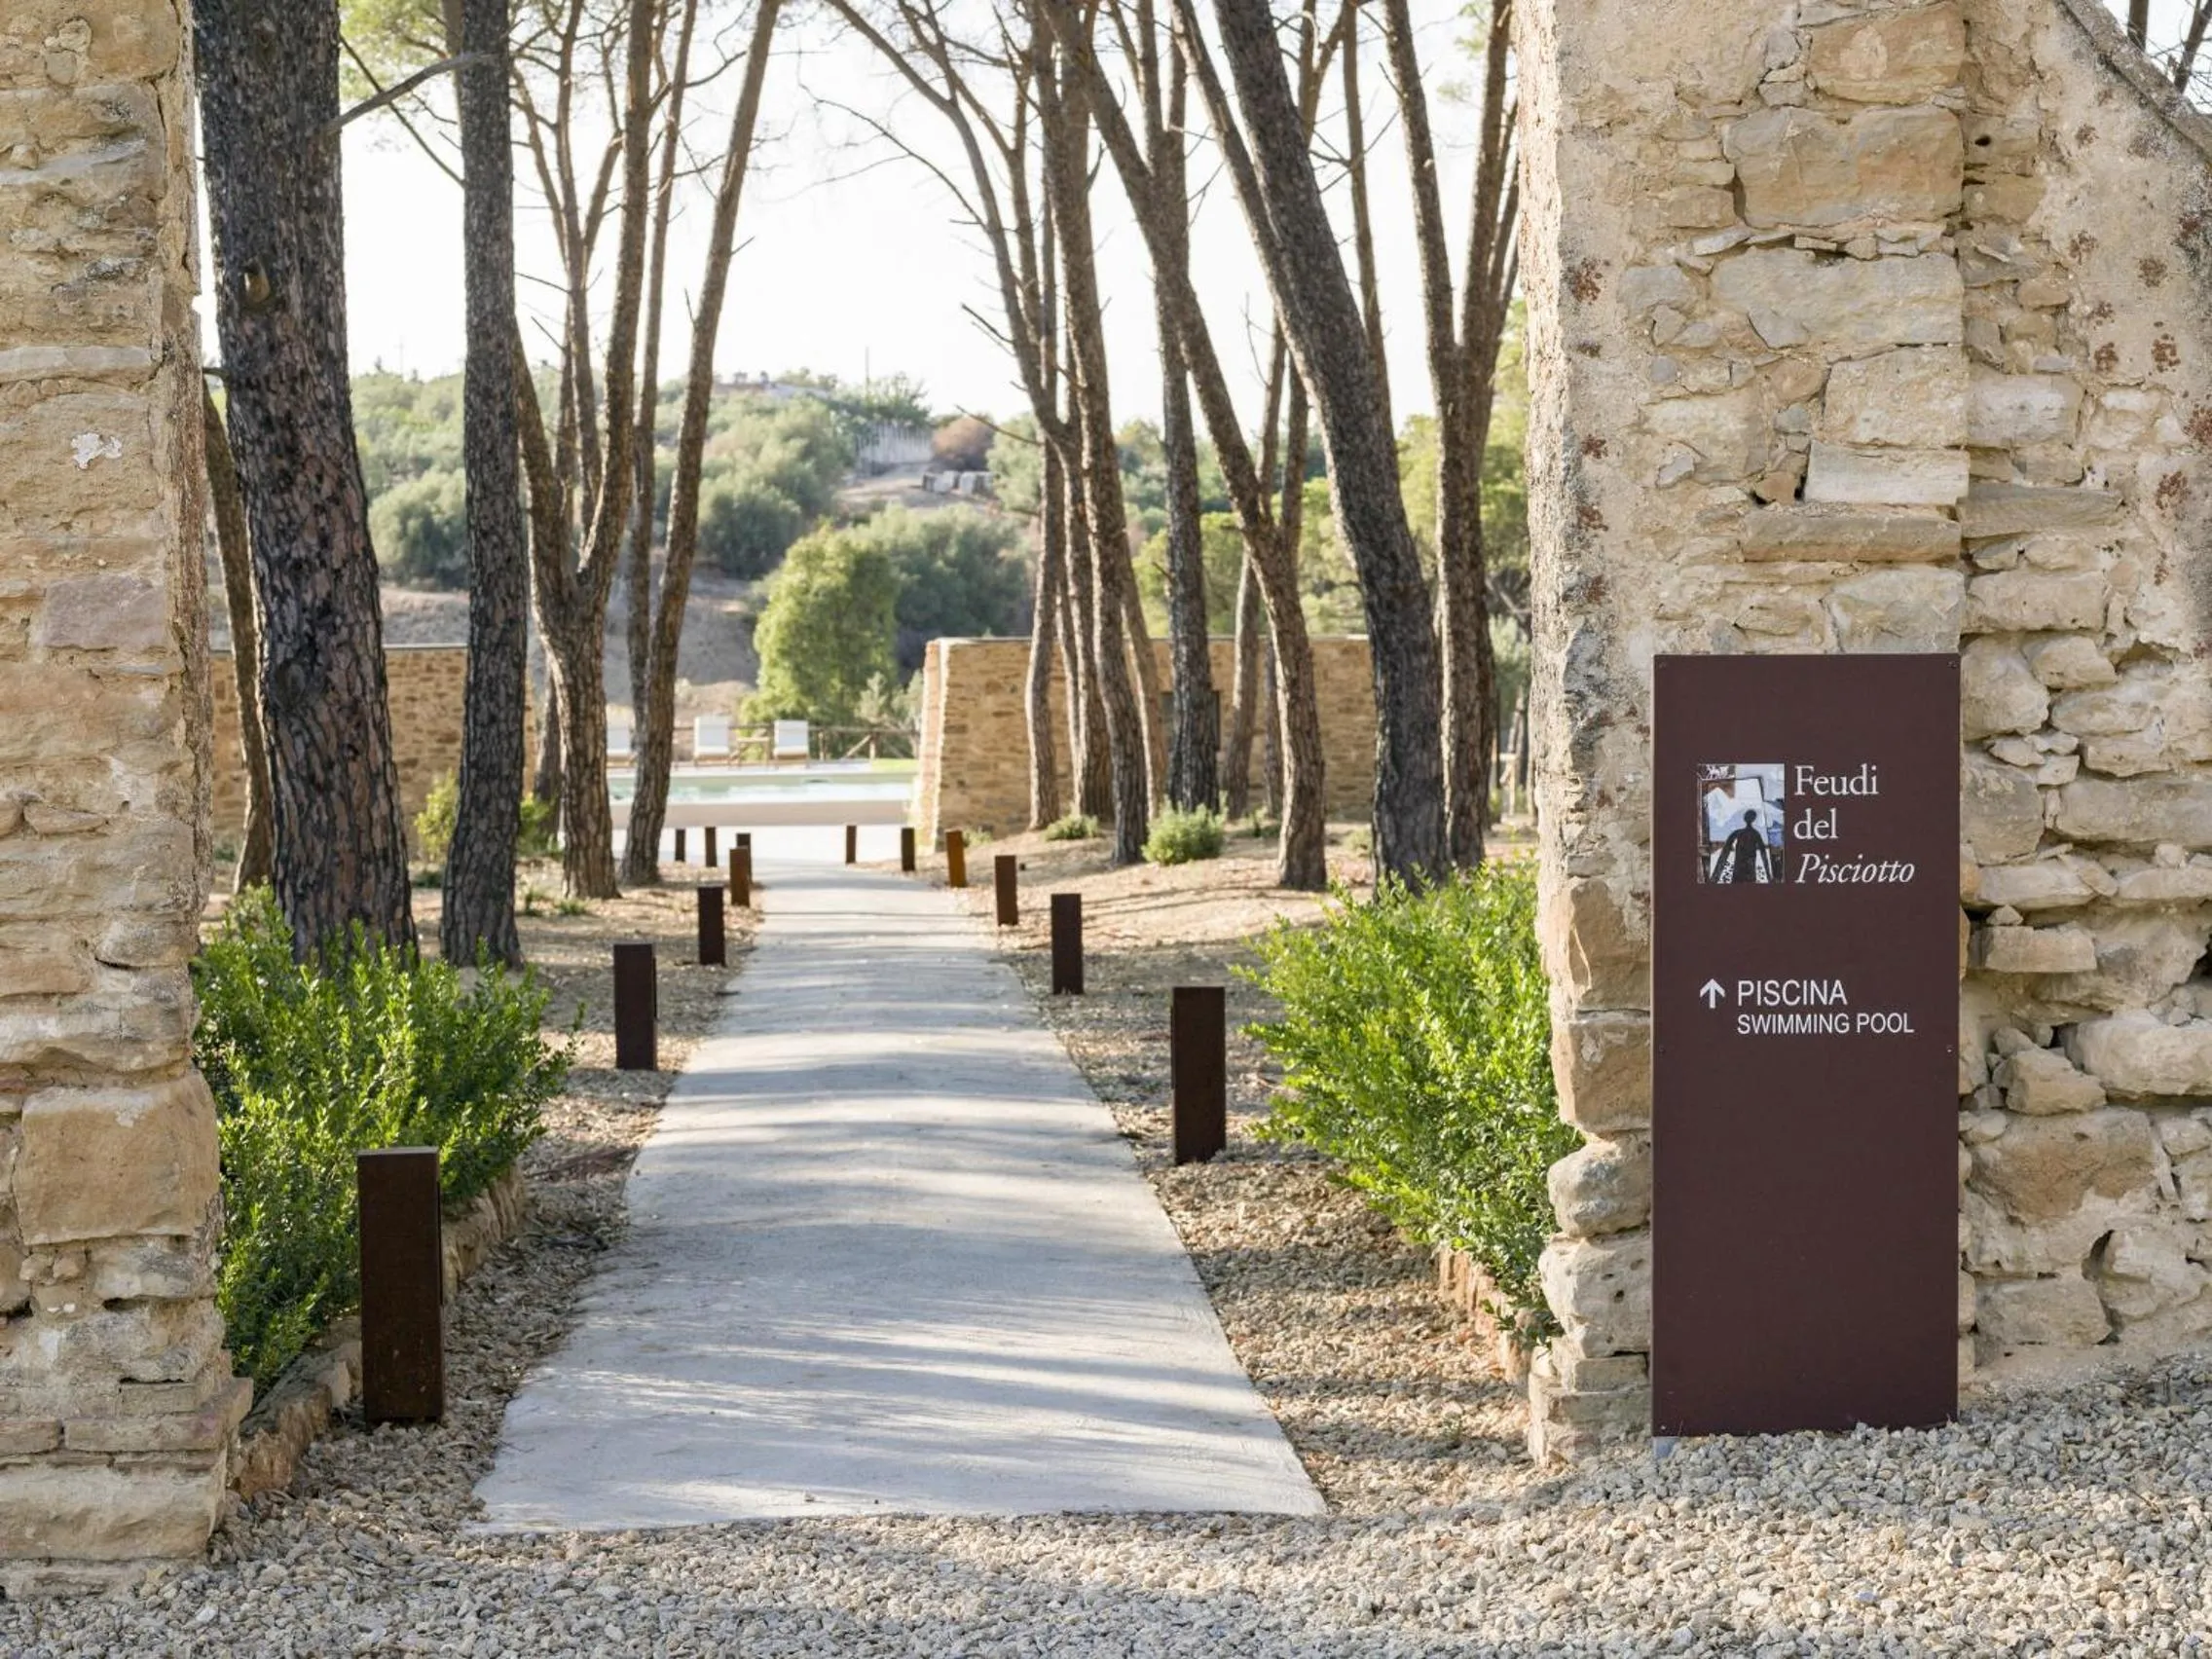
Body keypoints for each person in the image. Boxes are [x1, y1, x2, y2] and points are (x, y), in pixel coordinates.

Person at [1712, 808, 1774, 884]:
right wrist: (1769, 876)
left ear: (1745, 818)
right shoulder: (1756, 834)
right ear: (1754, 819)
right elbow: (1764, 855)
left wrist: (1715, 877)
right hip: (1749, 873)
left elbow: (1724, 854)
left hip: (1739, 872)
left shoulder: (1738, 833)